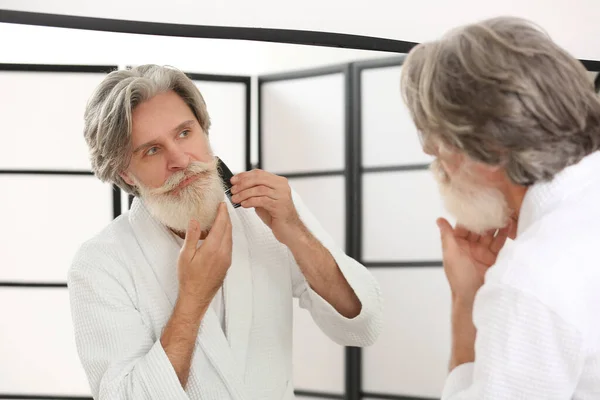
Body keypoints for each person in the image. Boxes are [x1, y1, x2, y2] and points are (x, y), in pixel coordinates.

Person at [68, 64, 383, 400]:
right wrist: (192, 299)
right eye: (152, 150)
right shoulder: (100, 263)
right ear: (127, 174)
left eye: (185, 133)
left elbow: (363, 325)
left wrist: (294, 230)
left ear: (204, 129)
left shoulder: (268, 213)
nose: (180, 159)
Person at [400, 16, 600, 399]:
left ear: (490, 150)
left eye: (441, 151)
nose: (440, 170)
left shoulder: (533, 273)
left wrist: (466, 303)